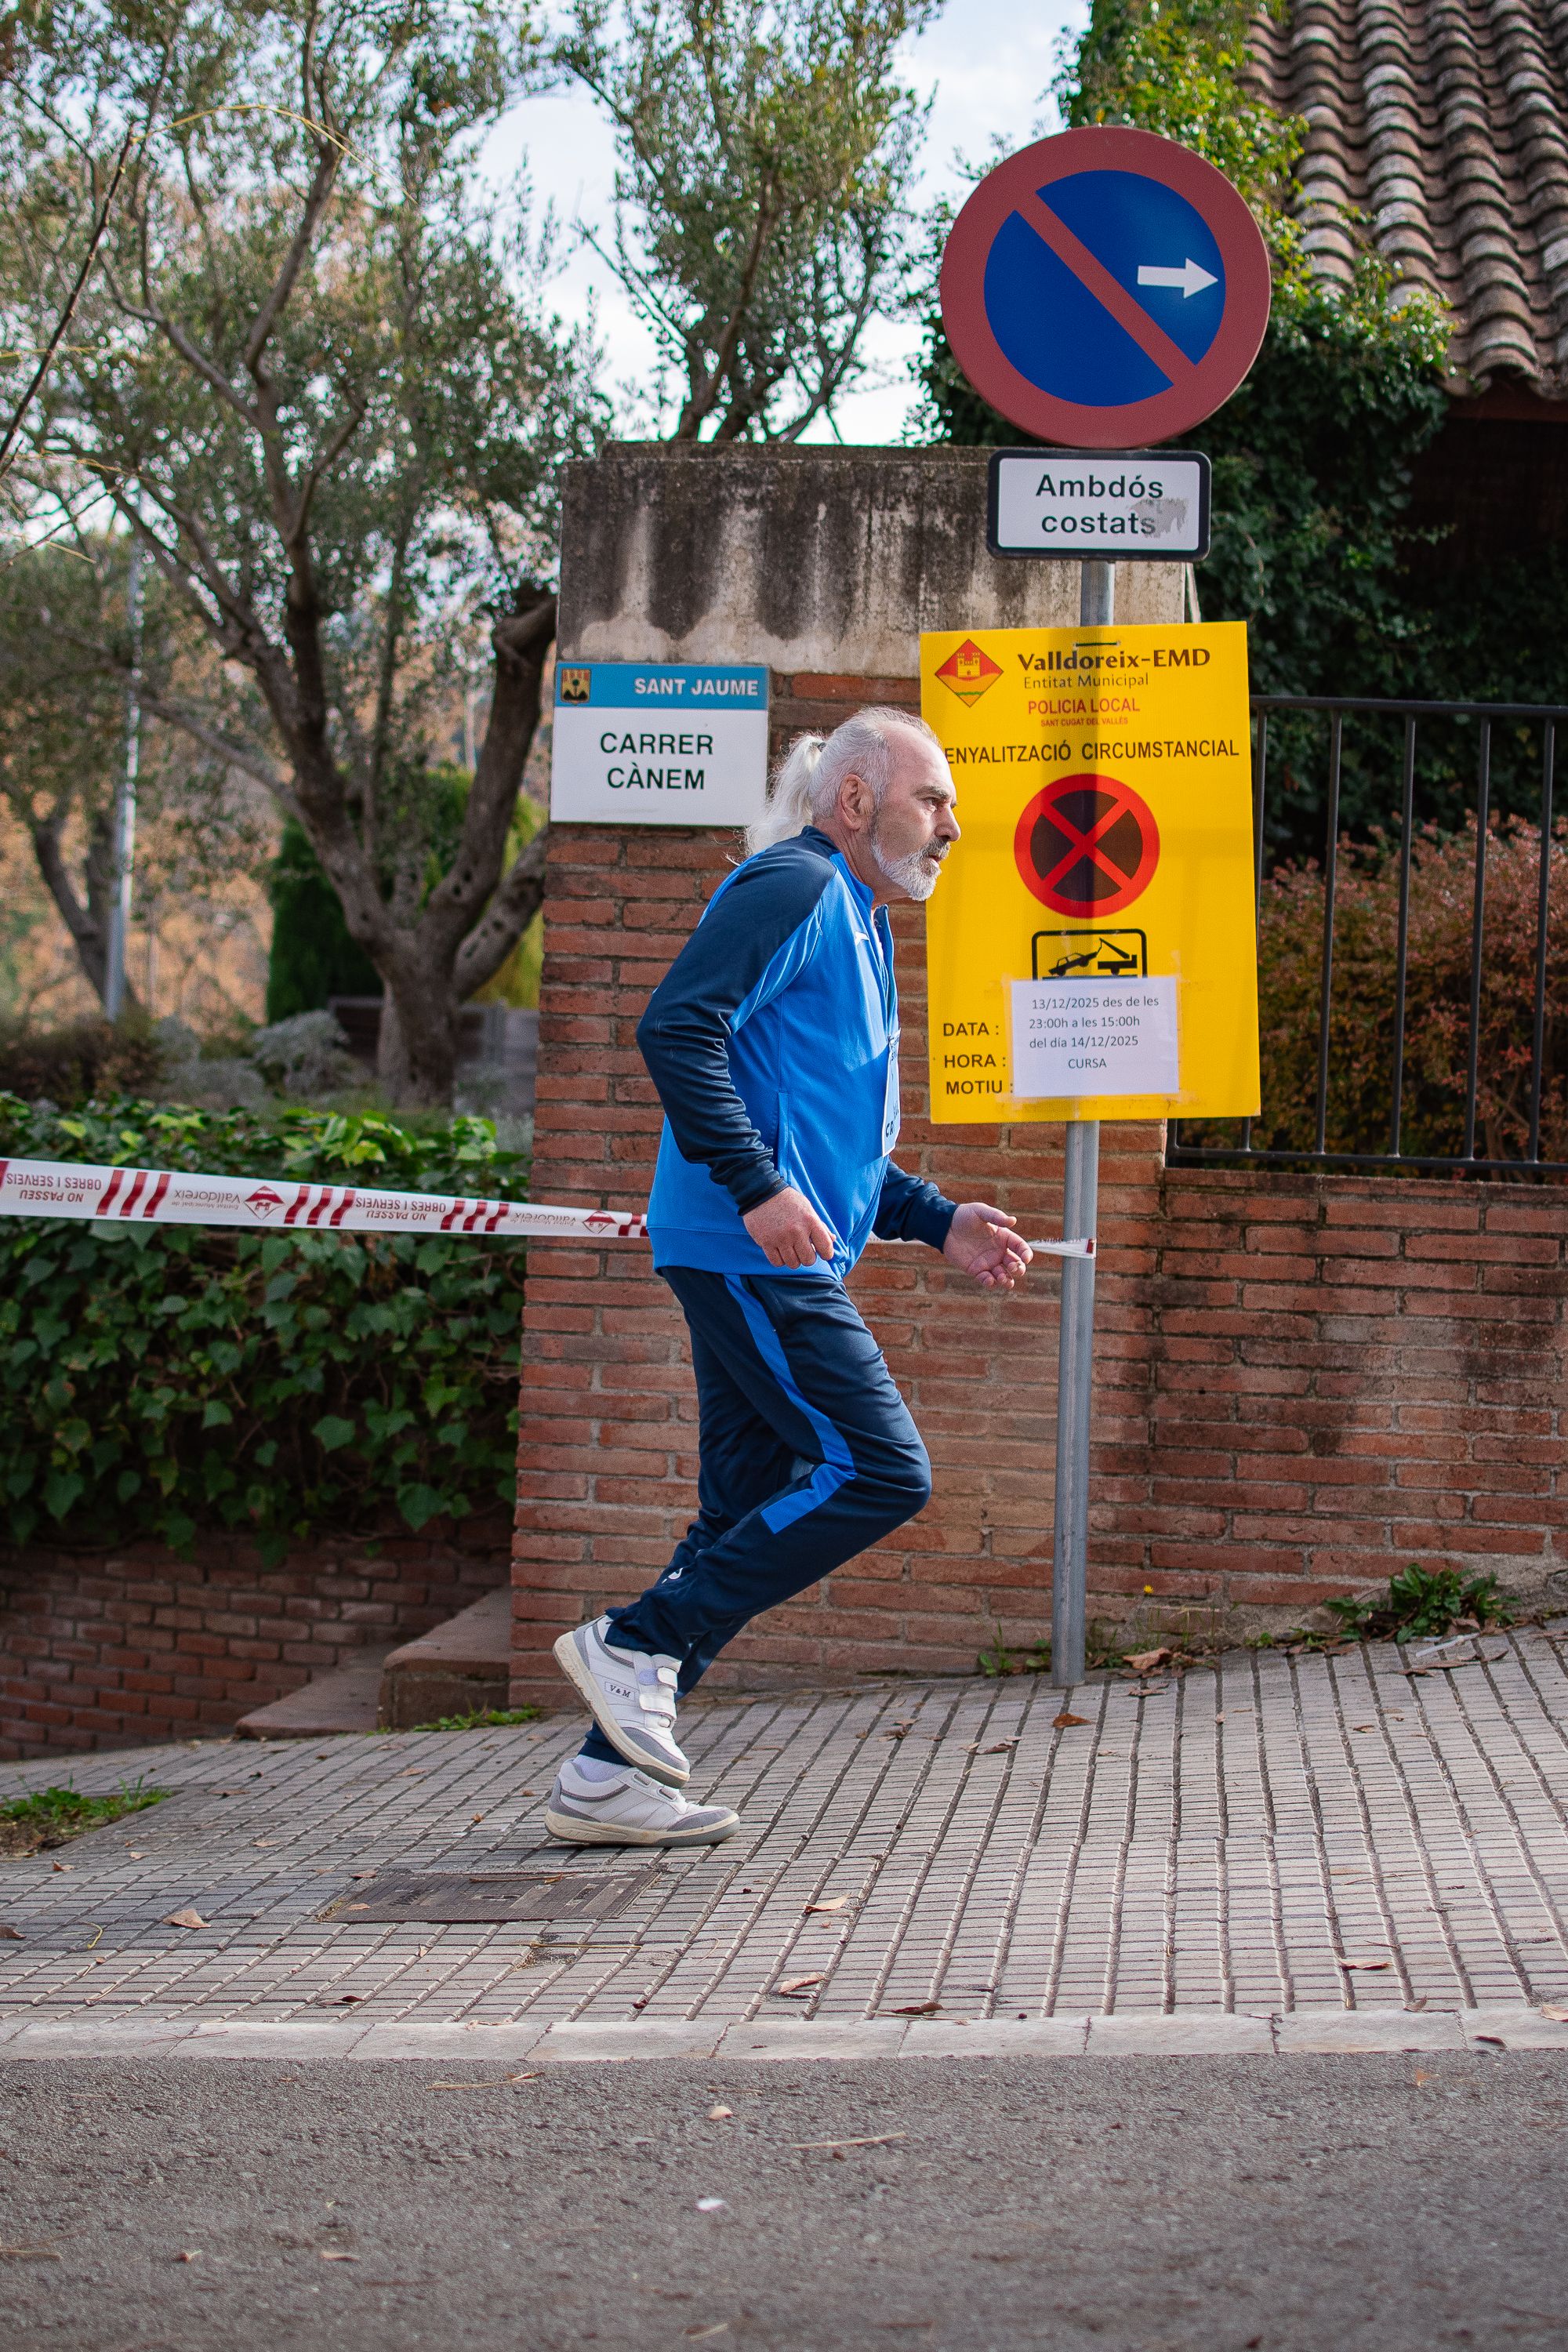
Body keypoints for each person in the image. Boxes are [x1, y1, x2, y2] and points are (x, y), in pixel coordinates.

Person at [544, 707, 1032, 1847]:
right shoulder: (795, 886)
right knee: (879, 1469)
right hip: (742, 1247)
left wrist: (937, 1216)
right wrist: (757, 1188)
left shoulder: (859, 920)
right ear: (855, 800)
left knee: (742, 1509)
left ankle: (602, 1781)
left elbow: (836, 1149)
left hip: (761, 1244)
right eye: (932, 799)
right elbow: (677, 1030)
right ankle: (636, 1643)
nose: (952, 825)